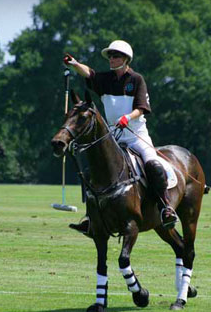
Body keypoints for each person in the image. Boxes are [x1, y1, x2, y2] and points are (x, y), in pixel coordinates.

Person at [63, 40, 179, 231]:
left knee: (153, 165)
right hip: (112, 137)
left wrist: (128, 117)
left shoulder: (136, 79)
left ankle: (165, 207)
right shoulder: (106, 80)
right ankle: (92, 218)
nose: (111, 59)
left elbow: (142, 107)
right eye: (110, 56)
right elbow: (89, 73)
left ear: (125, 59)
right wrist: (74, 64)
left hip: (136, 135)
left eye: (115, 56)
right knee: (93, 171)